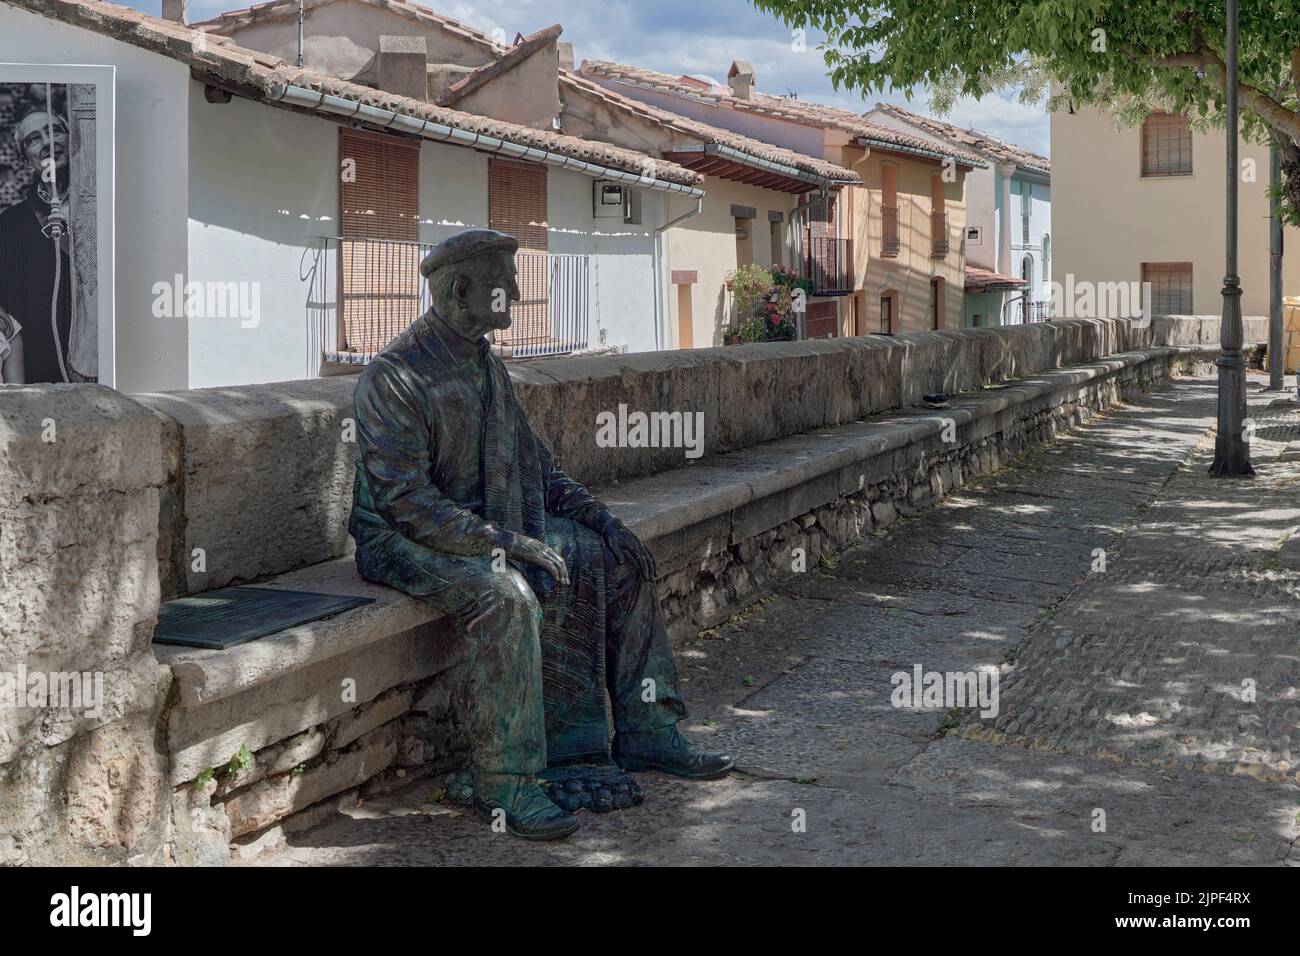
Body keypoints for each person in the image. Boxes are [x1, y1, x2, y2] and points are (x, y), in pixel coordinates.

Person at [348, 229, 733, 840]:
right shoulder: (394, 378)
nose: (519, 296)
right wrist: (508, 544)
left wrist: (602, 520)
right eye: (505, 287)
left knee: (620, 561)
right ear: (459, 289)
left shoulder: (485, 367)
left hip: (493, 521)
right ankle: (507, 780)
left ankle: (649, 731)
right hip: (405, 539)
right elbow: (405, 503)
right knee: (506, 596)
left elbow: (541, 472)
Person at [0, 106, 74, 383]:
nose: (48, 142)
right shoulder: (10, 225)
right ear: (25, 160)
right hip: (37, 374)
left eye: (55, 130)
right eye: (34, 138)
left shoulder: (104, 209)